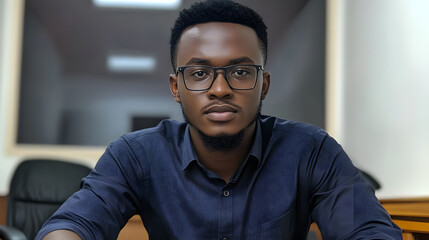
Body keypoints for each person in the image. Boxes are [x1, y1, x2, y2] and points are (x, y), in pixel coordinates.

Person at [36, 0, 402, 239]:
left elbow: (368, 229)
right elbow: (76, 223)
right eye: (199, 74)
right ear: (176, 87)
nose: (220, 89)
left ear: (264, 85)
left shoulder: (311, 150)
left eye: (241, 72)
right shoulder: (135, 155)